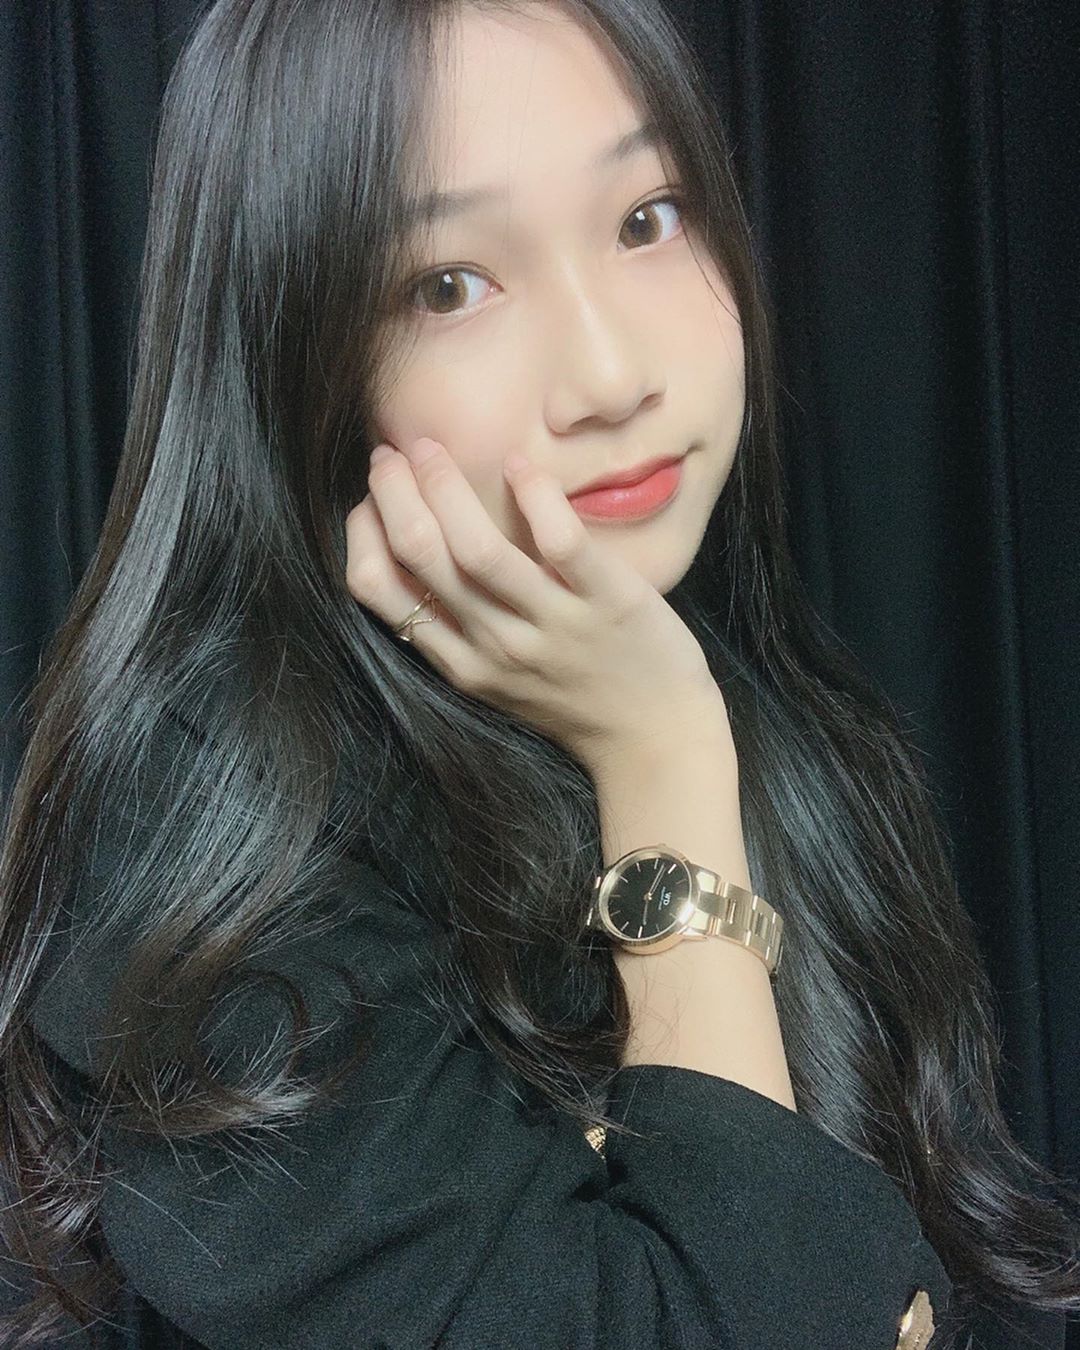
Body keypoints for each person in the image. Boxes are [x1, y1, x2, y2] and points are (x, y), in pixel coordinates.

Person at [1, 1, 1077, 1347]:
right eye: (450, 286)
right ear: (290, 355)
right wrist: (661, 758)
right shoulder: (205, 835)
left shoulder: (756, 696)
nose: (613, 376)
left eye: (648, 218)